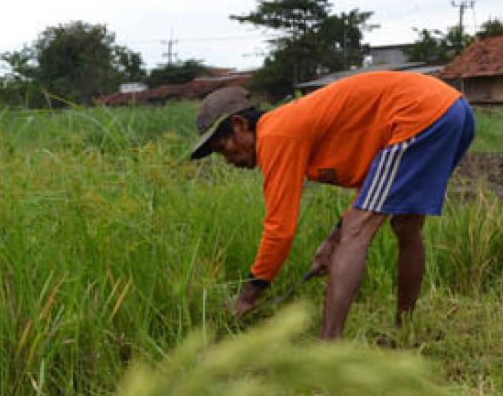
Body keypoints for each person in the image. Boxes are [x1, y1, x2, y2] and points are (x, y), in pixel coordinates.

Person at [190, 72, 474, 340]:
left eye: (222, 148)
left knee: (357, 231)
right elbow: (374, 182)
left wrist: (248, 296)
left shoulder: (275, 135)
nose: (227, 160)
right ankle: (405, 330)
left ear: (240, 126)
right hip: (451, 110)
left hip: (421, 113)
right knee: (406, 226)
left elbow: (280, 230)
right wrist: (331, 241)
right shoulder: (292, 125)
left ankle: (329, 343)